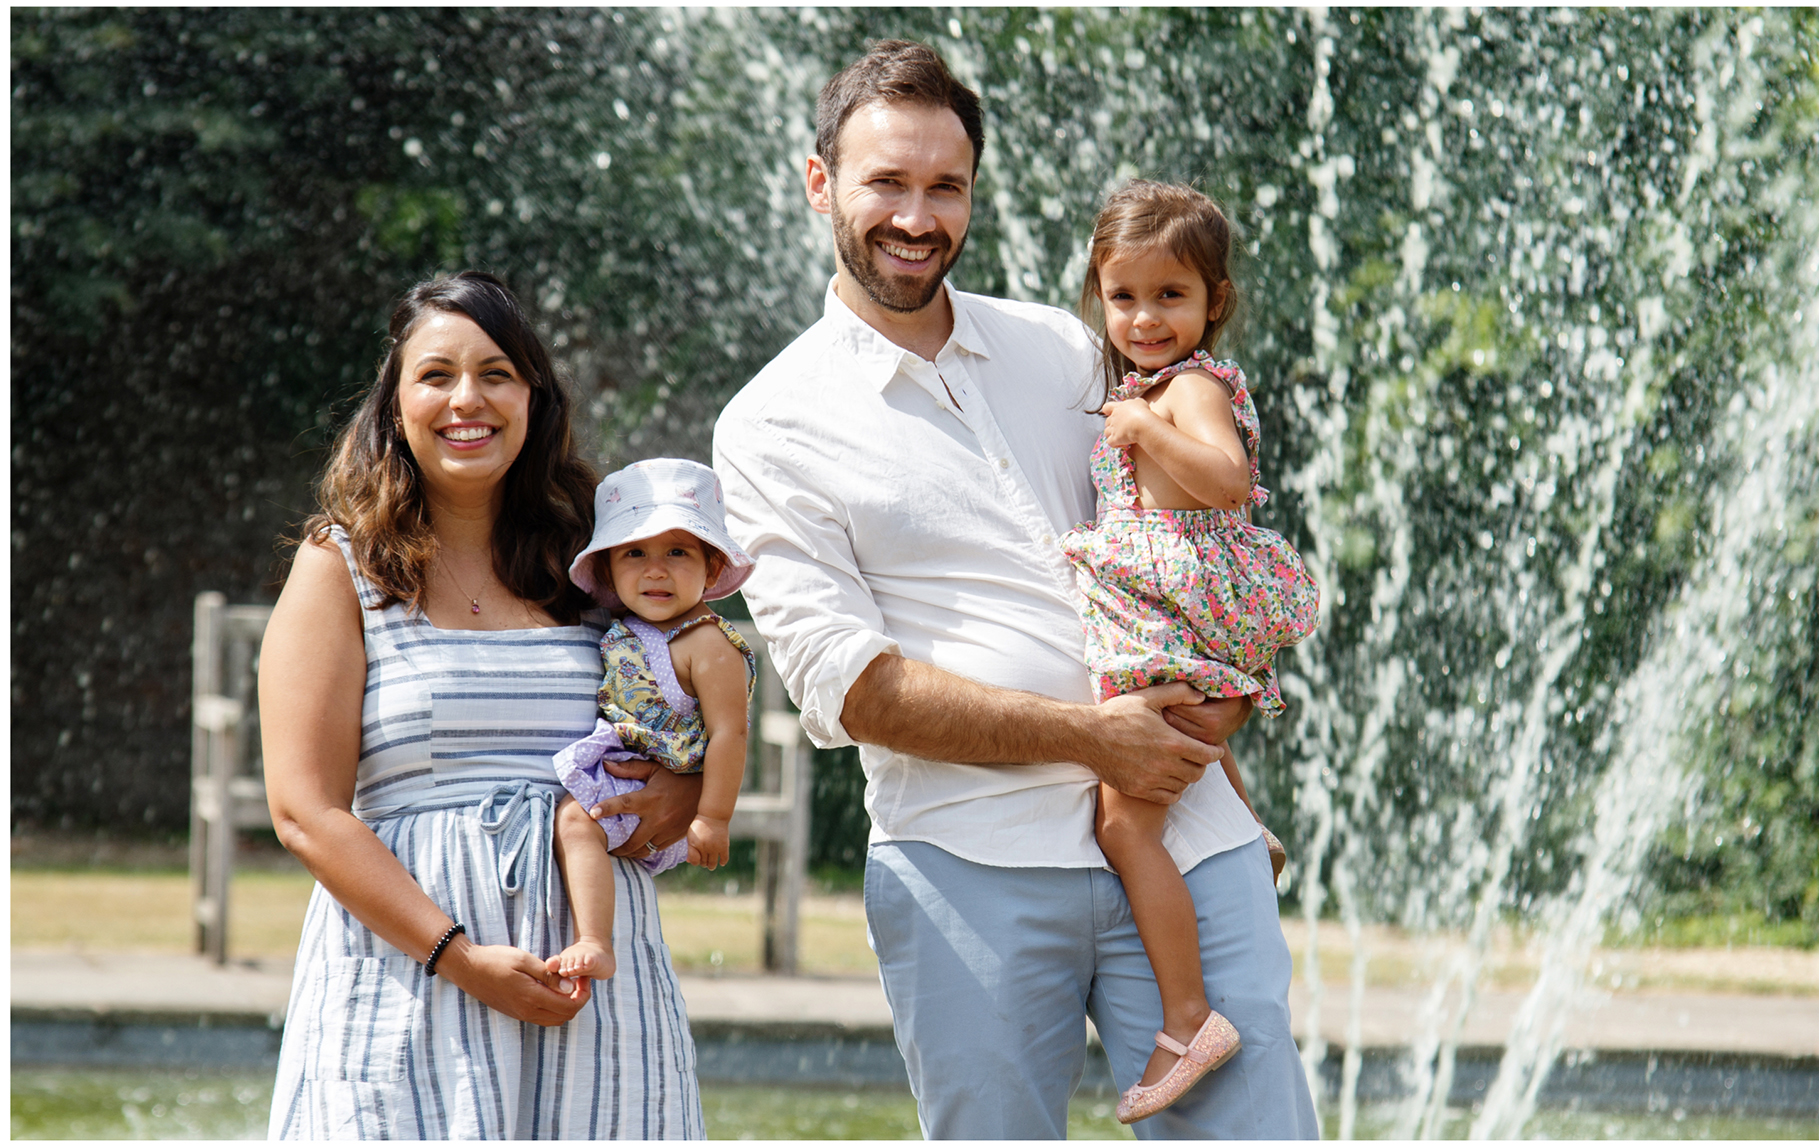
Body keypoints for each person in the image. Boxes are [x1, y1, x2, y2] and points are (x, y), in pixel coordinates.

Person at [713, 40, 1319, 1139]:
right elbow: (851, 690)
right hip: (967, 865)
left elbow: (1185, 554)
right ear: (819, 185)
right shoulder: (770, 422)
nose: (916, 213)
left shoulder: (1062, 347)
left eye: (944, 185)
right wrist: (1098, 741)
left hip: (1185, 836)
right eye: (886, 181)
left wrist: (1216, 753)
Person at [260, 271, 705, 1139]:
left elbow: (698, 712)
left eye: (497, 372)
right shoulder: (341, 566)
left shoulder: (599, 565)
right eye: (437, 375)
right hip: (410, 974)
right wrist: (457, 957)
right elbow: (305, 811)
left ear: (534, 396)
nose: (469, 398)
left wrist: (685, 795)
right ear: (396, 402)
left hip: (592, 982)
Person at [1059, 180, 1320, 1123]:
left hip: (1189, 633)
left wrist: (1144, 428)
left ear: (1216, 300)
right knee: (1163, 771)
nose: (1144, 317)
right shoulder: (1146, 385)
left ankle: (1186, 1018)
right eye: (1123, 296)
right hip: (1182, 629)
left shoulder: (1191, 387)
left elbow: (1229, 482)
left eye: (1171, 296)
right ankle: (1250, 828)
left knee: (1124, 826)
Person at [549, 458, 758, 985]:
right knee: (575, 827)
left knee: (576, 825)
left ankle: (595, 940)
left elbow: (732, 732)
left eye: (678, 553)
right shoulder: (630, 627)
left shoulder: (706, 643)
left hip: (659, 785)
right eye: (635, 553)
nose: (655, 569)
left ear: (712, 569)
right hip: (620, 766)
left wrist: (712, 817)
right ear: (608, 570)